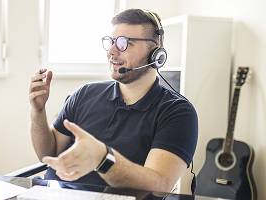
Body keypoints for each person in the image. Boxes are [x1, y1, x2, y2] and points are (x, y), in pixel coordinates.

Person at [28, 8, 198, 193]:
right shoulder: (85, 93)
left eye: (124, 44)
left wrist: (102, 158)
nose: (111, 51)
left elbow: (159, 186)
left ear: (155, 55)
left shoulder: (178, 112)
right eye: (111, 42)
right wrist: (38, 112)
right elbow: (48, 154)